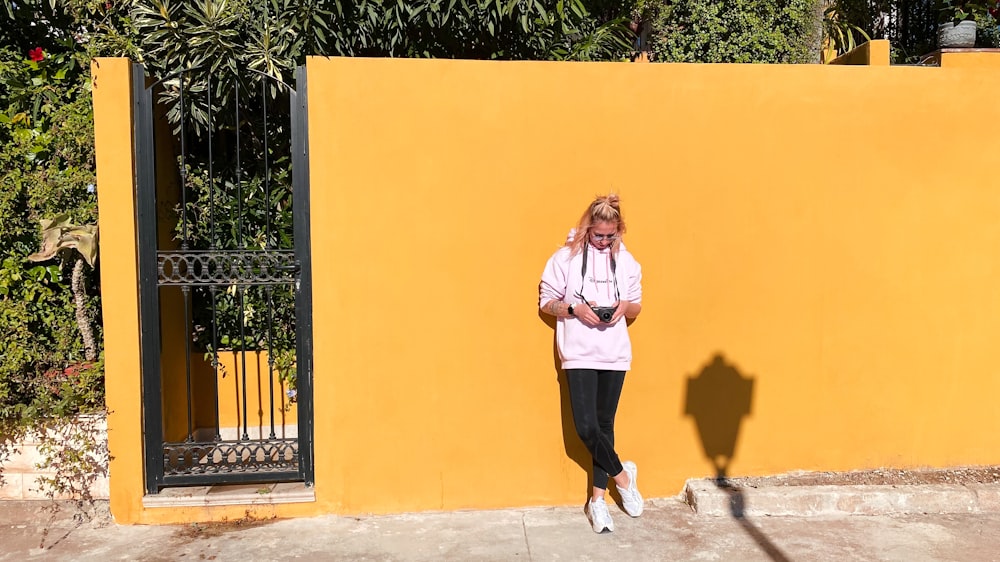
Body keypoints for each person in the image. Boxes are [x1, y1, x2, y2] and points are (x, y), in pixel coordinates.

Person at [538, 193, 644, 534]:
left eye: (610, 236)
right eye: (598, 235)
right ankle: (624, 477)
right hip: (578, 351)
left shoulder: (628, 263)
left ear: (619, 231)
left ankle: (598, 502)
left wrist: (622, 305)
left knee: (604, 425)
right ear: (587, 229)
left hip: (614, 352)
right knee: (586, 427)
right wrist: (574, 309)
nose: (603, 241)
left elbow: (638, 307)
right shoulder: (564, 259)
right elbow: (546, 302)